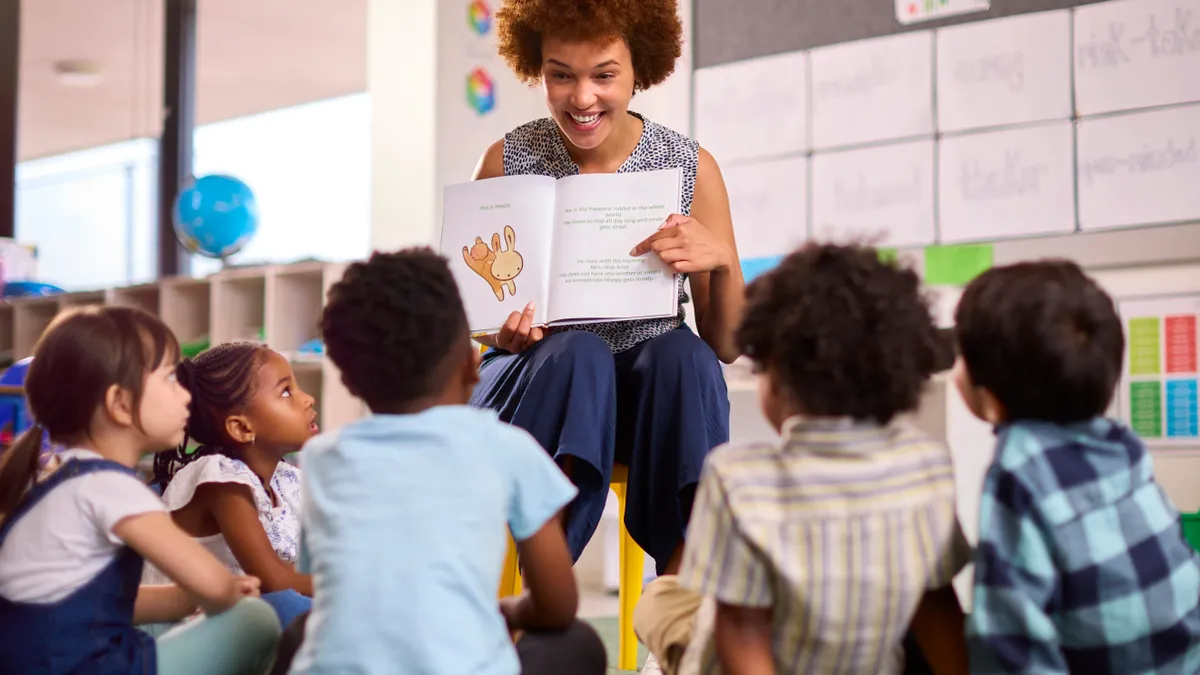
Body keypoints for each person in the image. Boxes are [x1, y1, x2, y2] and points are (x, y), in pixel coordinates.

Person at [469, 0, 744, 577]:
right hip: (540, 378)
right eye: (560, 74)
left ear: (639, 69)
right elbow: (473, 330)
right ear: (537, 69)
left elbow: (727, 344)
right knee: (580, 353)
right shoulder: (505, 160)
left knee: (685, 355)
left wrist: (717, 261)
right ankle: (546, 598)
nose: (582, 97)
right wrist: (503, 333)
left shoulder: (689, 165)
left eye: (604, 75)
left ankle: (678, 609)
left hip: (647, 390)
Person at [633, 243, 971, 675]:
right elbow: (938, 605)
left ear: (775, 372)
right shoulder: (927, 464)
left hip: (741, 660)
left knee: (661, 598)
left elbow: (741, 628)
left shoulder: (738, 478)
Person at [276, 249, 607, 675]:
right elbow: (557, 604)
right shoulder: (508, 448)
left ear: (348, 379)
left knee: (304, 631)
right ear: (473, 364)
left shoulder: (321, 458)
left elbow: (331, 590)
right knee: (578, 643)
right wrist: (506, 612)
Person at [0, 305, 280, 675]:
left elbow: (97, 604)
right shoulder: (112, 488)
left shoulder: (60, 479)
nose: (185, 395)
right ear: (119, 403)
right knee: (256, 620)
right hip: (86, 667)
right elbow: (213, 585)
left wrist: (182, 600)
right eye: (169, 379)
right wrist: (229, 592)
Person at [953, 260, 1200, 673]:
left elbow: (1009, 639)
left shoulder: (1019, 471)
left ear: (993, 400)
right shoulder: (1122, 446)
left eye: (961, 356)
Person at [147, 342, 318, 631]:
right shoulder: (218, 480)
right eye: (286, 392)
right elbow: (274, 580)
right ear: (242, 428)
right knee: (292, 610)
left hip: (239, 621)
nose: (308, 399)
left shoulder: (287, 479)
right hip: (181, 634)